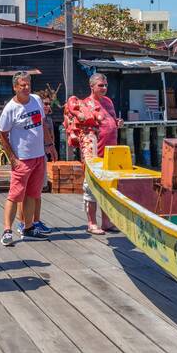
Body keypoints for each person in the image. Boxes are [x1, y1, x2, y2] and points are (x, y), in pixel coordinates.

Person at [0, 70, 58, 246]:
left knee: (33, 194)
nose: (25, 87)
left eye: (28, 84)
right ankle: (7, 230)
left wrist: (50, 145)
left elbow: (43, 125)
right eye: (22, 85)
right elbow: (2, 134)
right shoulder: (10, 108)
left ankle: (29, 227)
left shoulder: (36, 100)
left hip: (39, 155)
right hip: (22, 158)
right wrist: (12, 158)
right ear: (15, 87)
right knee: (15, 195)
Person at [65, 72, 121, 235]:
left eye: (105, 85)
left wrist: (117, 123)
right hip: (94, 152)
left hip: (111, 152)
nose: (104, 88)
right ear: (92, 86)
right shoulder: (84, 104)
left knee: (108, 188)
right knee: (91, 188)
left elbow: (111, 119)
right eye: (100, 85)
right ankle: (91, 223)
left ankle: (106, 221)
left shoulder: (109, 102)